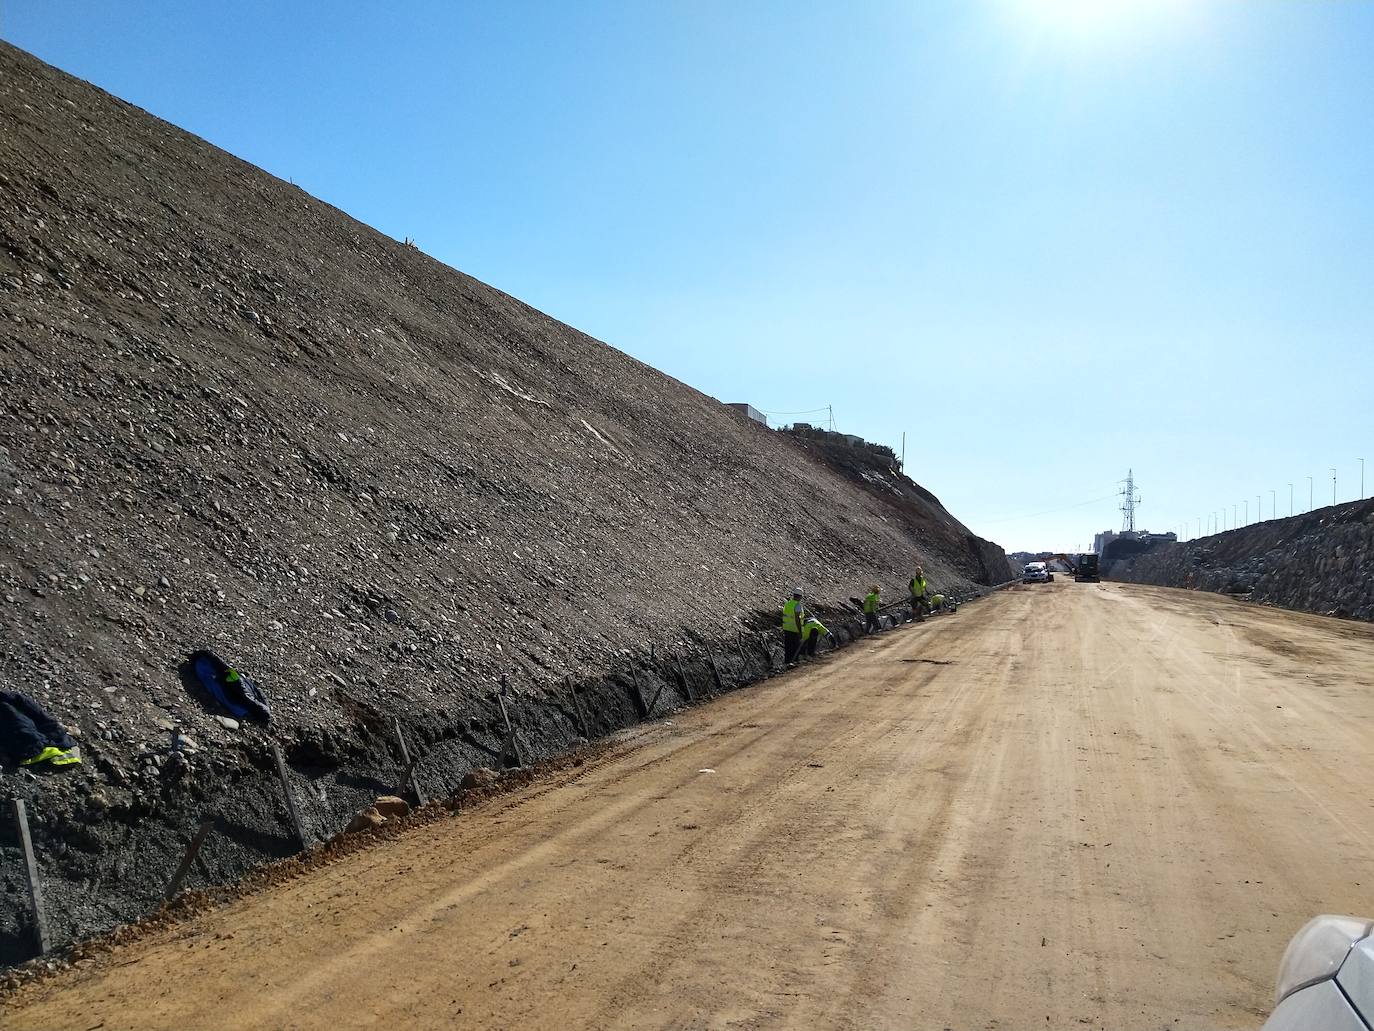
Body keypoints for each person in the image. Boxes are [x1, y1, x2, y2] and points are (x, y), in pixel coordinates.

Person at [782, 588, 806, 664]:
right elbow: (797, 619)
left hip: (786, 629)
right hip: (794, 630)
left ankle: (787, 663)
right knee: (795, 649)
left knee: (788, 649)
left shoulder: (787, 603)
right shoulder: (797, 605)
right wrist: (800, 631)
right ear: (800, 596)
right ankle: (794, 664)